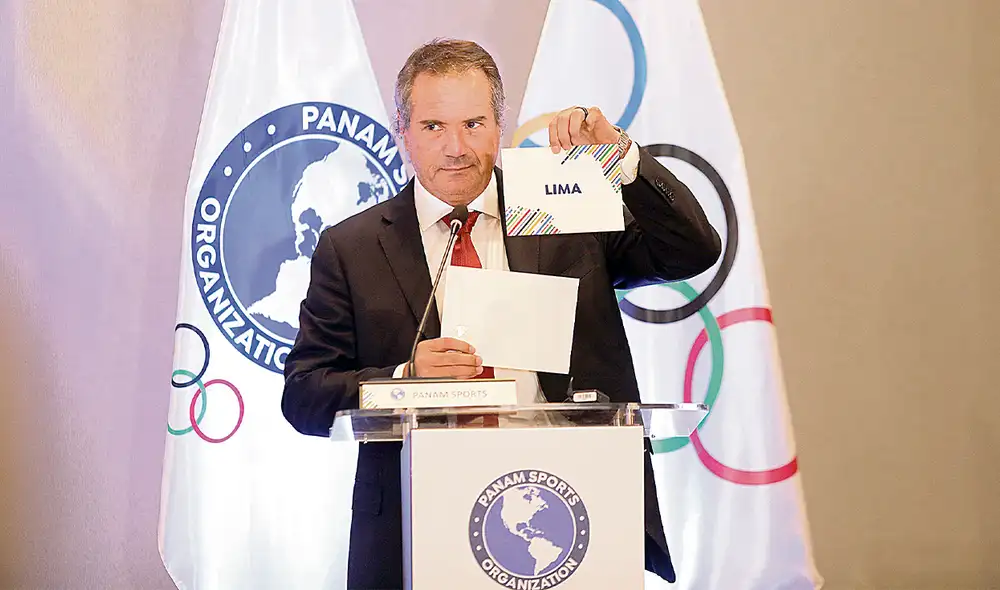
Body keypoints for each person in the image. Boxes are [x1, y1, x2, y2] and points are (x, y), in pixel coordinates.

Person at [282, 38, 722, 589]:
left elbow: (693, 251)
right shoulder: (352, 246)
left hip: (570, 507)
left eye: (473, 123)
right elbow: (304, 395)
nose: (456, 148)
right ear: (403, 132)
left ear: (499, 123)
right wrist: (405, 381)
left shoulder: (562, 209)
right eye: (434, 127)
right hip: (416, 522)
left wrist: (619, 156)